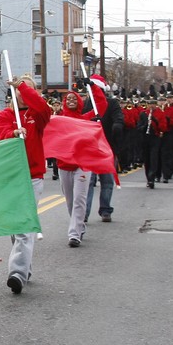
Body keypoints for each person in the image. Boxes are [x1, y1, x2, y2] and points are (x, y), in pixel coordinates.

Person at [0, 75, 51, 294]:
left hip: (33, 176)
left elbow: (42, 106)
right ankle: (24, 266)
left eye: (29, 89)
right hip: (11, 176)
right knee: (15, 226)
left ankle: (17, 272)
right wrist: (14, 133)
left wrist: (23, 87)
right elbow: (2, 135)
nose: (23, 92)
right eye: (19, 89)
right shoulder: (5, 115)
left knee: (25, 225)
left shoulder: (39, 114)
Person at [55, 89, 99, 247]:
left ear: (80, 101)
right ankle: (79, 225)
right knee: (70, 201)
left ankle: (74, 234)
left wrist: (93, 87)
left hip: (83, 165)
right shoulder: (58, 119)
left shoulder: (85, 119)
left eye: (75, 98)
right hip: (64, 164)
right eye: (68, 99)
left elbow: (102, 105)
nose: (71, 101)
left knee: (79, 199)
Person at [82, 75, 121, 224]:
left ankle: (105, 210)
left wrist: (117, 126)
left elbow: (119, 118)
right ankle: (84, 213)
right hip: (90, 147)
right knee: (89, 182)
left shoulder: (111, 104)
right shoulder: (86, 104)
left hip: (106, 146)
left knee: (107, 181)